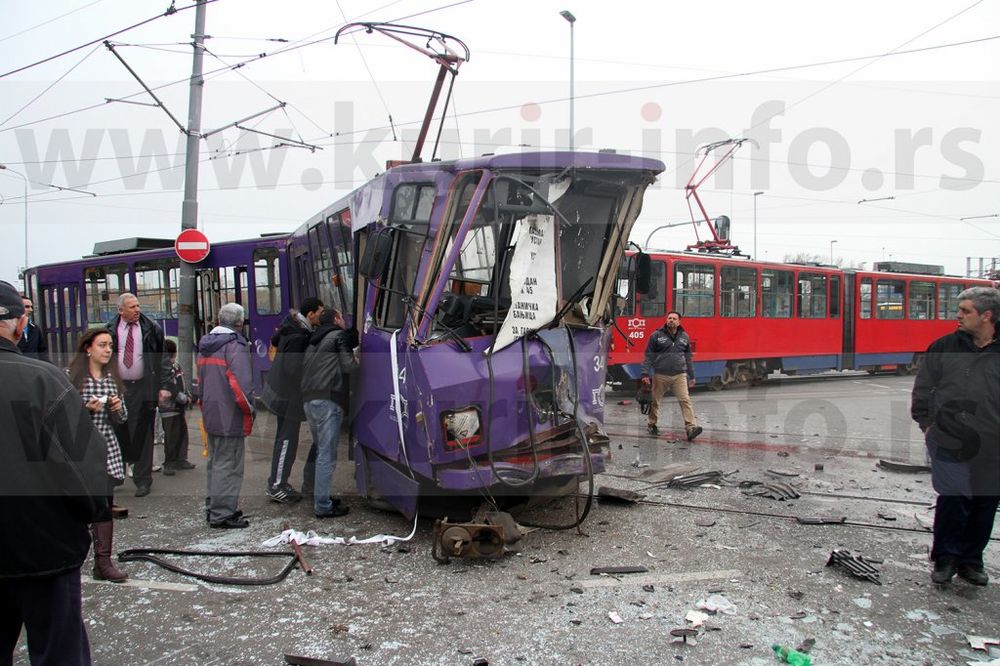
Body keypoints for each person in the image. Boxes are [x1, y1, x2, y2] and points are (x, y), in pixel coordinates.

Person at [0, 280, 109, 665]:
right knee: (58, 652)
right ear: (19, 322)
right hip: (42, 546)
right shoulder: (43, 380)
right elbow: (81, 463)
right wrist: (92, 512)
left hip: (40, 543)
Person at [911, 286, 1000, 586]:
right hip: (950, 438)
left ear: (986, 316)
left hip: (994, 443)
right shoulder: (944, 346)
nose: (958, 316)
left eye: (965, 311)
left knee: (985, 502)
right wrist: (927, 425)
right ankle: (945, 559)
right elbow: (923, 387)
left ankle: (971, 561)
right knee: (953, 499)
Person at [67, 329, 130, 583]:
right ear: (88, 348)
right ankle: (72, 557)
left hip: (106, 449)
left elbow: (123, 418)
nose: (107, 350)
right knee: (79, 508)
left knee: (103, 506)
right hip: (79, 450)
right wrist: (86, 410)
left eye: (110, 345)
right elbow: (64, 417)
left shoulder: (111, 380)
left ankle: (103, 563)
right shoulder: (72, 380)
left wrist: (116, 408)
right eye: (102, 345)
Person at [106, 293, 172, 497]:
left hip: (144, 386)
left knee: (144, 433)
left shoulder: (152, 328)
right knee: (117, 430)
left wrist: (164, 386)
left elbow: (162, 360)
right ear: (121, 310)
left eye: (138, 306)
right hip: (119, 388)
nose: (137, 310)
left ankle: (143, 480)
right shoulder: (108, 330)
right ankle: (116, 474)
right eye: (132, 307)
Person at [198, 303, 255, 529]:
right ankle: (222, 514)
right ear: (240, 322)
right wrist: (250, 411)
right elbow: (241, 385)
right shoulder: (235, 346)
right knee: (229, 465)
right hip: (229, 414)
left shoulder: (206, 345)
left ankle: (215, 506)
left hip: (211, 411)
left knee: (216, 462)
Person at [264, 298, 324, 503]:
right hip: (288, 396)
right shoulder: (299, 336)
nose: (321, 316)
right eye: (320, 312)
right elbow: (293, 369)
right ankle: (277, 485)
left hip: (280, 392)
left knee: (285, 439)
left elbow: (274, 341)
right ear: (310, 315)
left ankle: (278, 482)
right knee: (287, 441)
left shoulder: (291, 327)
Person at [300, 308, 357, 518]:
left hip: (309, 400)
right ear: (335, 319)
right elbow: (348, 366)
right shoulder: (338, 336)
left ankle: (320, 495)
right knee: (327, 454)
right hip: (328, 400)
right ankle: (322, 505)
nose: (344, 320)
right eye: (342, 317)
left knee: (320, 451)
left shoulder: (313, 340)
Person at [640, 310, 702, 441]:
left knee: (685, 400)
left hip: (679, 375)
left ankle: (691, 427)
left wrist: (692, 375)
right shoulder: (656, 335)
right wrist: (645, 373)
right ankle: (652, 424)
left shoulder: (685, 336)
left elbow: (688, 358)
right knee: (655, 401)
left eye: (674, 318)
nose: (671, 320)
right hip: (660, 375)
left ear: (679, 321)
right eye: (669, 318)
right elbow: (649, 356)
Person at [159, 339, 194, 476]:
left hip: (179, 408)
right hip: (168, 408)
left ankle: (181, 459)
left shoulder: (176, 366)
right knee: (171, 436)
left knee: (182, 433)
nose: (173, 358)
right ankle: (169, 462)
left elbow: (182, 383)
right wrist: (184, 398)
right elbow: (171, 388)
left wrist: (188, 394)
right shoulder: (164, 369)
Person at [16, 295, 48, 363]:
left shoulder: (35, 328)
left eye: (31, 307)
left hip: (33, 368)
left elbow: (42, 351)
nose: (31, 310)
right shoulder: (8, 330)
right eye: (27, 307)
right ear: (17, 308)